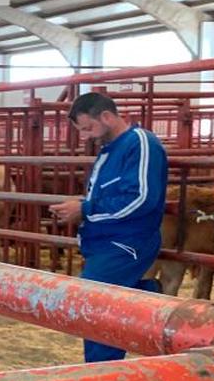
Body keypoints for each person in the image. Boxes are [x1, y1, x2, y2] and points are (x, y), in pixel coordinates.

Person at [50, 91, 167, 363]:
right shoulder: (108, 150)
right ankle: (147, 295)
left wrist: (85, 209)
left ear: (106, 116)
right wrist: (82, 207)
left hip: (127, 242)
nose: (86, 136)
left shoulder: (140, 143)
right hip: (104, 243)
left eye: (88, 128)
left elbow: (141, 198)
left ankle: (101, 375)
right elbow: (105, 197)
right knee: (100, 306)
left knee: (96, 310)